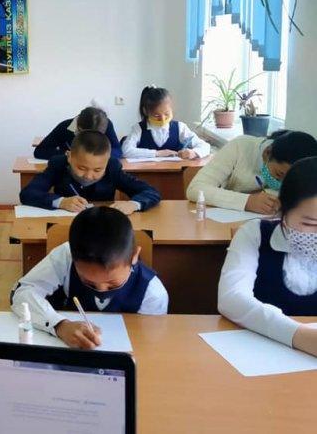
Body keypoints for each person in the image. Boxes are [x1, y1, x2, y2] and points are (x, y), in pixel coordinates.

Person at [11, 206, 168, 349]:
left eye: (112, 284)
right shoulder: (66, 256)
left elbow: (150, 344)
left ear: (134, 256)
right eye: (89, 282)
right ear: (72, 257)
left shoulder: (153, 294)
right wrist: (59, 325)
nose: (101, 290)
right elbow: (22, 292)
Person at [218, 156, 317, 357]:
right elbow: (231, 298)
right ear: (283, 210)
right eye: (309, 224)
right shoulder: (255, 234)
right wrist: (298, 335)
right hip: (260, 353)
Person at [20, 130, 160, 215]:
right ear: (69, 156)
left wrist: (133, 204)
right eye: (81, 168)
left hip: (101, 228)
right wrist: (61, 202)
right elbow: (28, 193)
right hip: (65, 224)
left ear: (107, 162)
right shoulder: (58, 164)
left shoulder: (112, 168)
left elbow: (151, 192)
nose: (88, 176)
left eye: (98, 170)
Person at [187, 130, 317, 213]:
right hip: (222, 224)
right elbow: (196, 189)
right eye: (279, 174)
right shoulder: (239, 147)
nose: (280, 183)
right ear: (267, 153)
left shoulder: (306, 167)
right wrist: (247, 201)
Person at [122, 86, 210, 159]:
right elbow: (126, 150)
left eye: (167, 114)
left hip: (175, 172)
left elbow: (205, 146)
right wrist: (157, 153)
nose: (163, 119)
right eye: (157, 116)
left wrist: (194, 152)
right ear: (145, 112)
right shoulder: (138, 129)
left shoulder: (180, 127)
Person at [35, 106, 122, 160]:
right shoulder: (64, 126)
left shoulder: (106, 124)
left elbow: (117, 151)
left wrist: (101, 155)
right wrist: (68, 154)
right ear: (79, 128)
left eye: (99, 135)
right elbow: (40, 151)